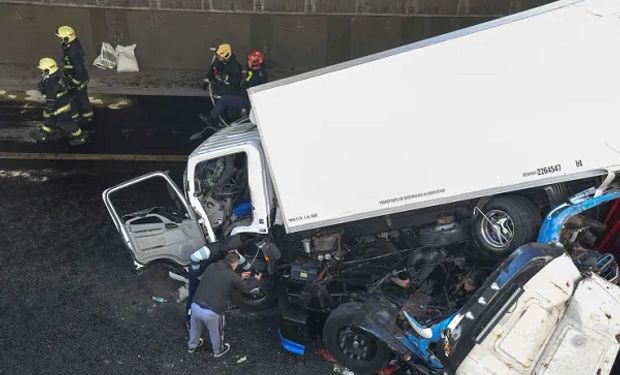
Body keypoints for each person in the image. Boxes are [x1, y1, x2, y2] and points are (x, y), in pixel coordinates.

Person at [187, 251, 261, 357]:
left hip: (195, 305)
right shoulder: (232, 276)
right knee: (216, 333)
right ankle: (218, 351)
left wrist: (239, 276)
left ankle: (192, 346)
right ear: (235, 264)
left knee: (195, 328)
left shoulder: (212, 266)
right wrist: (256, 280)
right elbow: (247, 289)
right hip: (212, 312)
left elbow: (219, 278)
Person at [198, 49, 268, 128]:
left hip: (248, 100)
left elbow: (251, 91)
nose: (248, 62)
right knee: (229, 95)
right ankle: (230, 118)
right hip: (244, 93)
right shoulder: (256, 70)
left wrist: (244, 108)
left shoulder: (257, 77)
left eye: (249, 61)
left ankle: (212, 120)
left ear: (254, 63)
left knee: (224, 100)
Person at [35, 57, 86, 146]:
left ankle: (79, 138)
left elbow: (50, 101)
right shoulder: (57, 74)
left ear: (47, 71)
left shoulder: (51, 83)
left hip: (60, 107)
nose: (41, 72)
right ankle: (44, 132)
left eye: (42, 70)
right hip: (62, 102)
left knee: (67, 123)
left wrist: (47, 111)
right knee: (51, 118)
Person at [56, 26, 94, 122]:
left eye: (61, 38)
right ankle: (84, 116)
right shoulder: (71, 45)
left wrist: (75, 82)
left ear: (66, 38)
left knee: (79, 97)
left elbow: (78, 68)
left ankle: (85, 117)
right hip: (73, 76)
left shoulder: (73, 51)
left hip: (78, 79)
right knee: (78, 97)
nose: (60, 39)